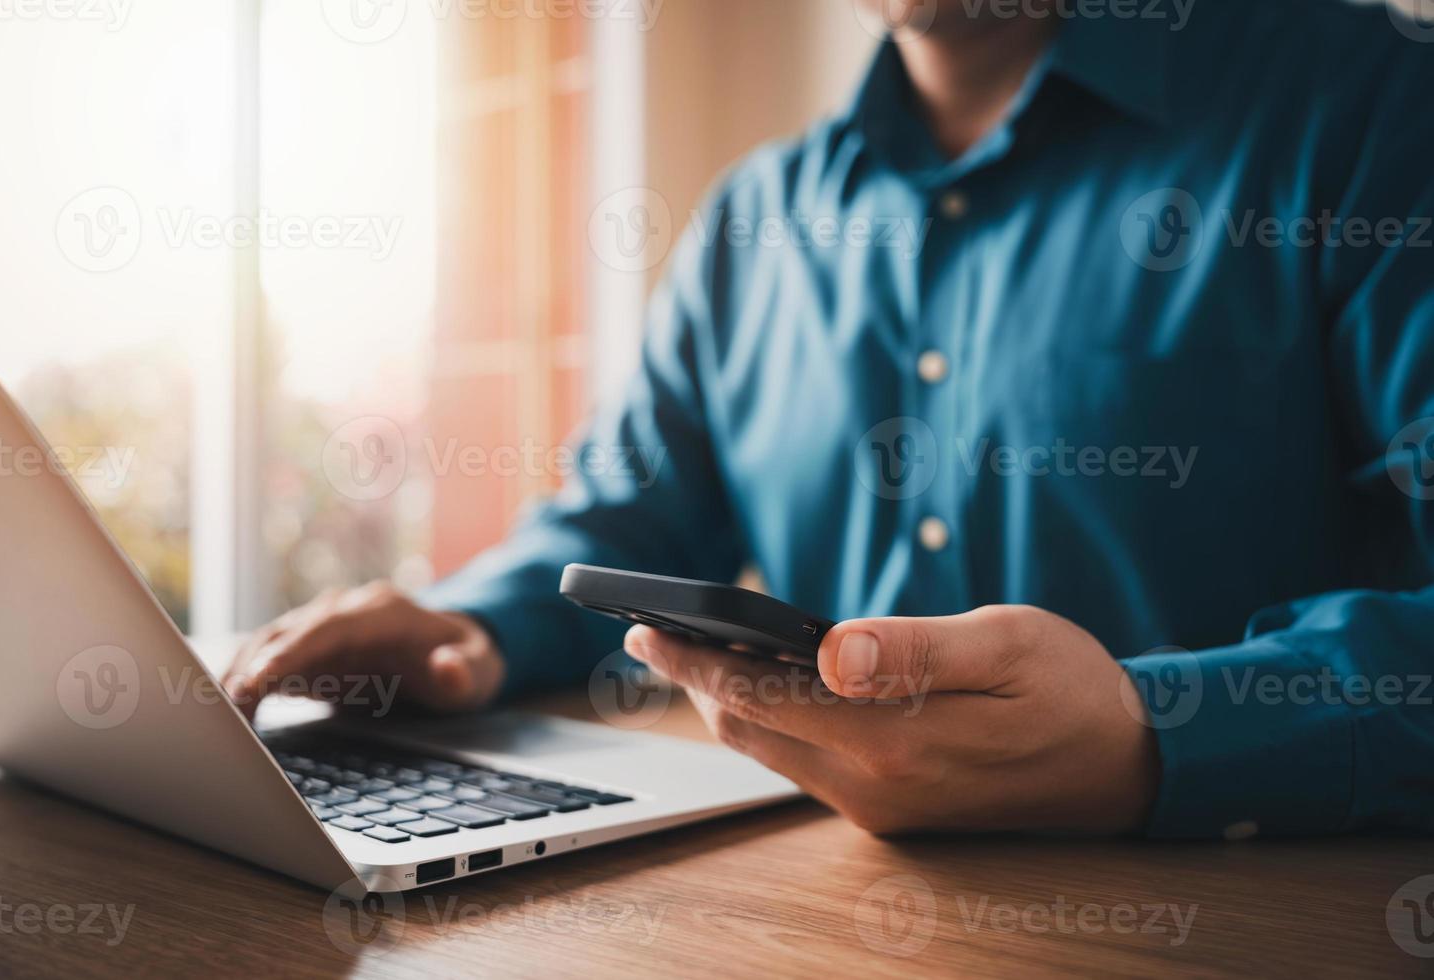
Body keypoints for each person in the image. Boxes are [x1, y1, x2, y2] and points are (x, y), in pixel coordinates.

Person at [225, 0, 1434, 838]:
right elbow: (628, 515)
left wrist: (1155, 739)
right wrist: (466, 628)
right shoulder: (755, 222)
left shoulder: (1374, 106)